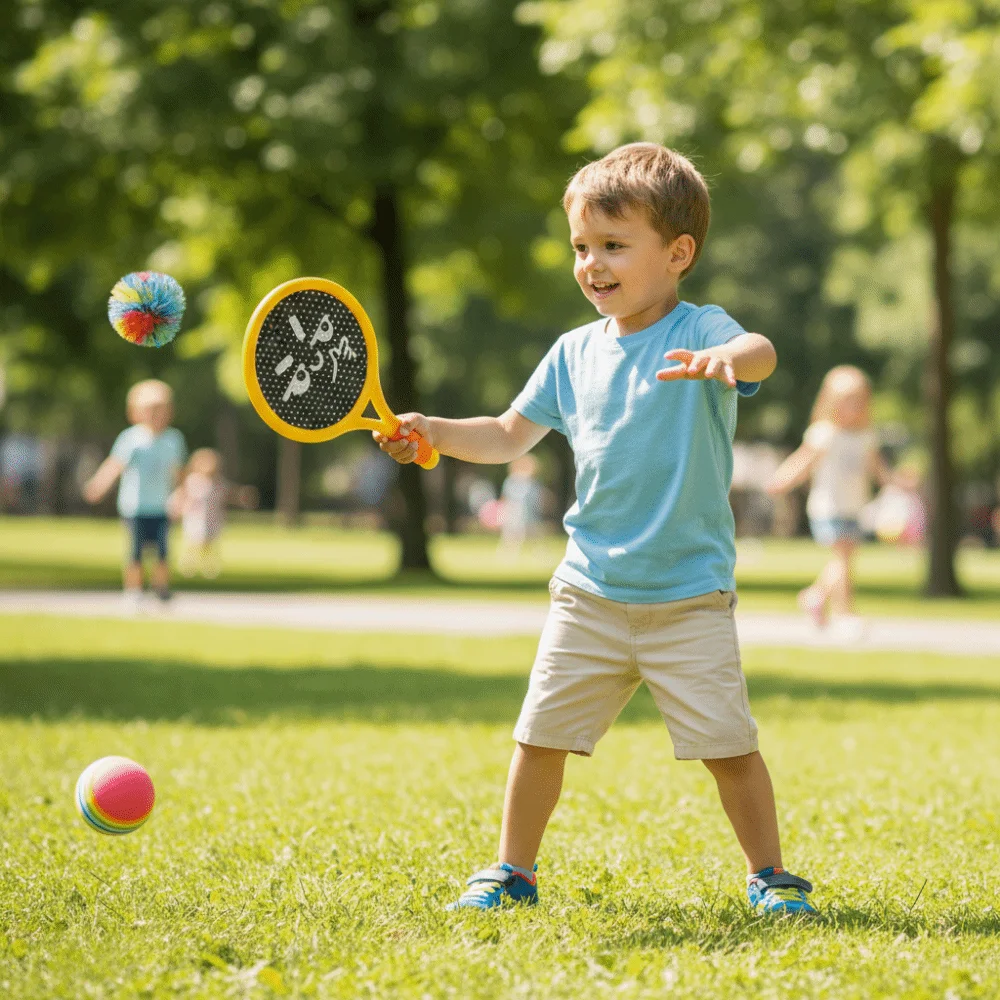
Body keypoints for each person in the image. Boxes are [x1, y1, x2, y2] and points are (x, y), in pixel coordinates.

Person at [375, 143, 816, 916]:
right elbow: (508, 434)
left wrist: (725, 360)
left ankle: (770, 876)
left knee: (731, 750)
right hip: (590, 592)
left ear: (678, 253)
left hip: (690, 598)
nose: (592, 264)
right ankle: (512, 871)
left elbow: (762, 353)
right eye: (582, 247)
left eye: (614, 246)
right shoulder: (573, 352)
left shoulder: (701, 328)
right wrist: (434, 431)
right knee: (538, 738)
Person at [767, 366, 893, 630]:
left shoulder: (866, 436)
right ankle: (844, 613)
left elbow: (877, 468)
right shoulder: (824, 433)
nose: (856, 408)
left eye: (860, 401)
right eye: (849, 401)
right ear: (833, 403)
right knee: (843, 559)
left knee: (843, 559)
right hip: (828, 506)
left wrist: (894, 485)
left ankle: (815, 596)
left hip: (855, 506)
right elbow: (803, 461)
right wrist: (783, 479)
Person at [83, 379, 186, 612]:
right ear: (136, 413)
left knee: (162, 552)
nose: (155, 415)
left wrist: (181, 496)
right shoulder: (131, 439)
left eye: (160, 410)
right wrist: (98, 485)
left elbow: (179, 474)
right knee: (135, 553)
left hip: (161, 506)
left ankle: (161, 589)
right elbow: (114, 465)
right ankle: (134, 590)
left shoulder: (173, 440)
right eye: (149, 410)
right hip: (135, 506)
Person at [170, 447, 258, 579]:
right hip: (195, 519)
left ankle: (210, 567)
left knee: (210, 544)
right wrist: (177, 508)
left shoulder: (218, 483)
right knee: (193, 543)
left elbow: (229, 494)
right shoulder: (193, 481)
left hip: (212, 519)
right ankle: (188, 566)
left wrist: (243, 498)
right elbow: (181, 496)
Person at [499, 453, 546, 553]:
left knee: (533, 534)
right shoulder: (512, 481)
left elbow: (537, 497)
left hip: (530, 513)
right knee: (512, 535)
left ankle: (539, 552)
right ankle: (508, 552)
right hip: (514, 513)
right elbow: (506, 498)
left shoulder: (532, 482)